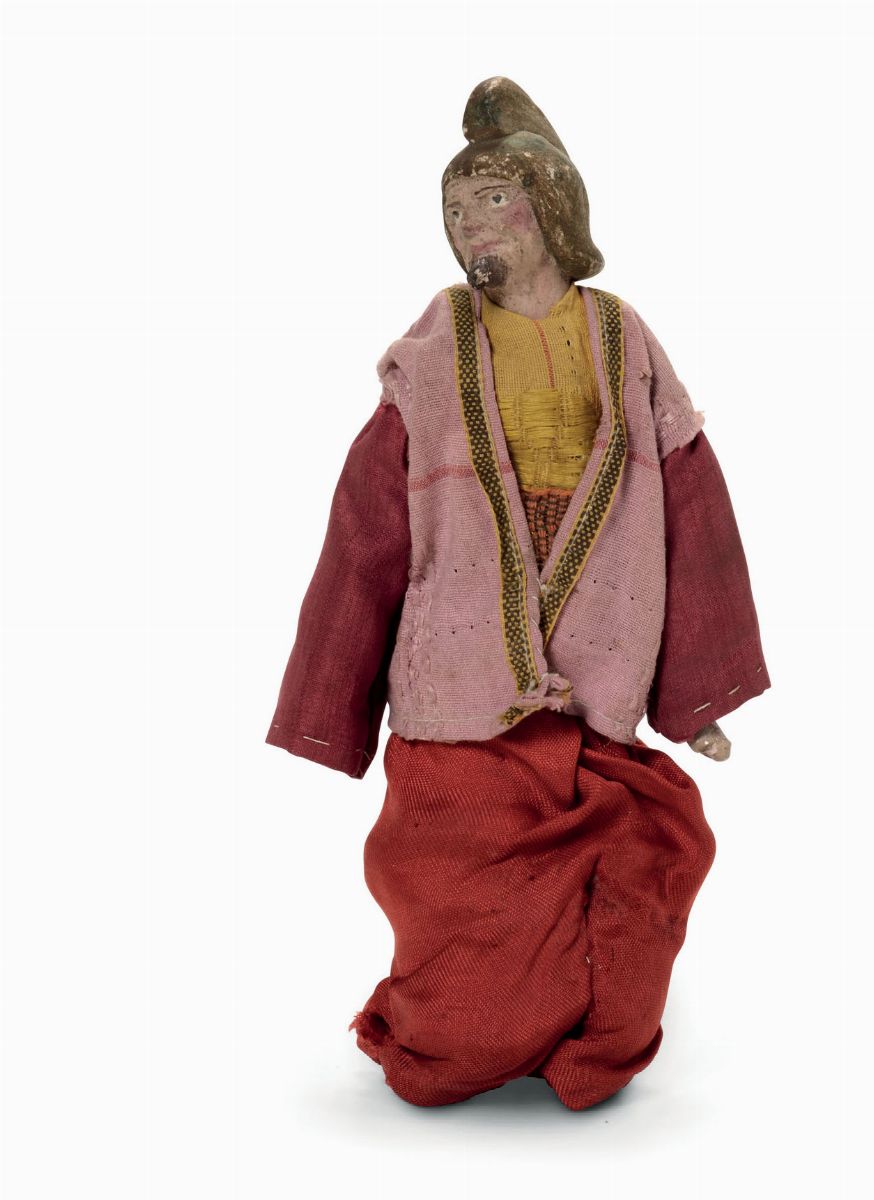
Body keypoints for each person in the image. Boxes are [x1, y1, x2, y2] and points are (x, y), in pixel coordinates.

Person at [265, 77, 770, 1111]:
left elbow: (690, 506)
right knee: (458, 904)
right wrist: (331, 704)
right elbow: (368, 528)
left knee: (644, 856)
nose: (469, 225)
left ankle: (587, 1035)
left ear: (550, 208)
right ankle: (458, 1033)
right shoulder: (434, 349)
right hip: (460, 688)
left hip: (595, 664)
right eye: (454, 209)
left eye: (491, 200)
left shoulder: (622, 338)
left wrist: (695, 701)